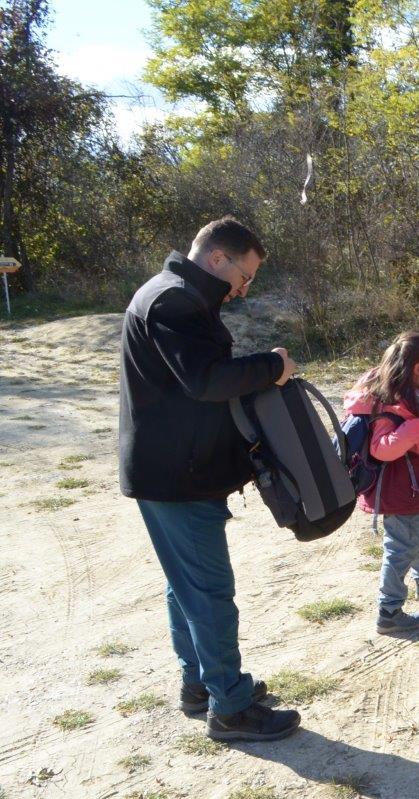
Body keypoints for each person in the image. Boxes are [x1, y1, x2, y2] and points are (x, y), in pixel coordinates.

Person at [119, 216, 301, 741]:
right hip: (178, 475)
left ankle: (201, 685)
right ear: (218, 258)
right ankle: (231, 708)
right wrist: (271, 366)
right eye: (244, 276)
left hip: (172, 470)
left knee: (187, 586)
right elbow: (205, 380)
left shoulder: (175, 294)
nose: (244, 289)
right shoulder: (173, 301)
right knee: (209, 592)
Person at [343, 332, 419, 634]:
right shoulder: (387, 402)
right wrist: (411, 430)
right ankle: (389, 610)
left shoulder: (402, 394)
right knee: (400, 548)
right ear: (417, 369)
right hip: (396, 491)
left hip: (408, 489)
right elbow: (381, 448)